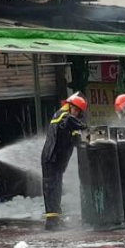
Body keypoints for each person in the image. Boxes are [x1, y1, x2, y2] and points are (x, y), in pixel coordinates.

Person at [41, 93, 88, 231]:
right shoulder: (62, 115)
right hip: (51, 159)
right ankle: (51, 223)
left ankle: (56, 219)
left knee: (57, 190)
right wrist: (85, 126)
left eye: (79, 112)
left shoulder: (69, 122)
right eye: (76, 110)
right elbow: (70, 120)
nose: (77, 113)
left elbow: (76, 140)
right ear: (70, 106)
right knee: (51, 189)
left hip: (57, 162)